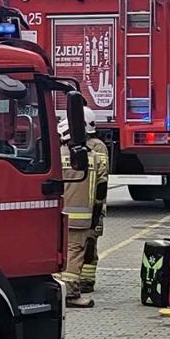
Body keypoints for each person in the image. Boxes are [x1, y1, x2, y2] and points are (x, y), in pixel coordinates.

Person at [55, 109, 109, 308]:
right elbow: (101, 188)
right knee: (75, 253)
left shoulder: (53, 156)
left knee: (59, 253)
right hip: (82, 217)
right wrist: (97, 214)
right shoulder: (93, 156)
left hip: (57, 215)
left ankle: (58, 289)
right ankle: (70, 293)